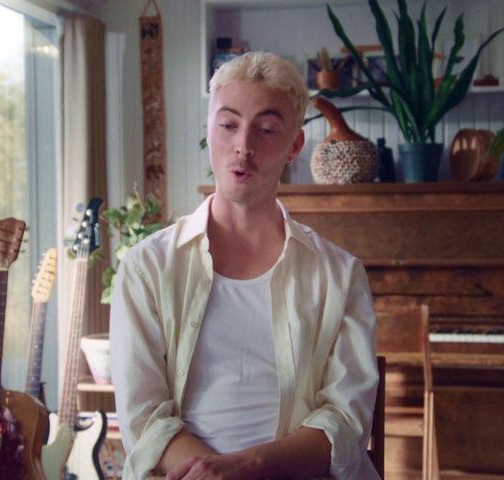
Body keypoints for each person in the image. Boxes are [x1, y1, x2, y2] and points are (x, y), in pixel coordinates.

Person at [109, 51, 380, 480]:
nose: (244, 146)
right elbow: (144, 419)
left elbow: (345, 423)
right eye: (228, 125)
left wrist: (248, 467)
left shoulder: (340, 275)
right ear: (208, 132)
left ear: (294, 146)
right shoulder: (147, 268)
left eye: (266, 129)